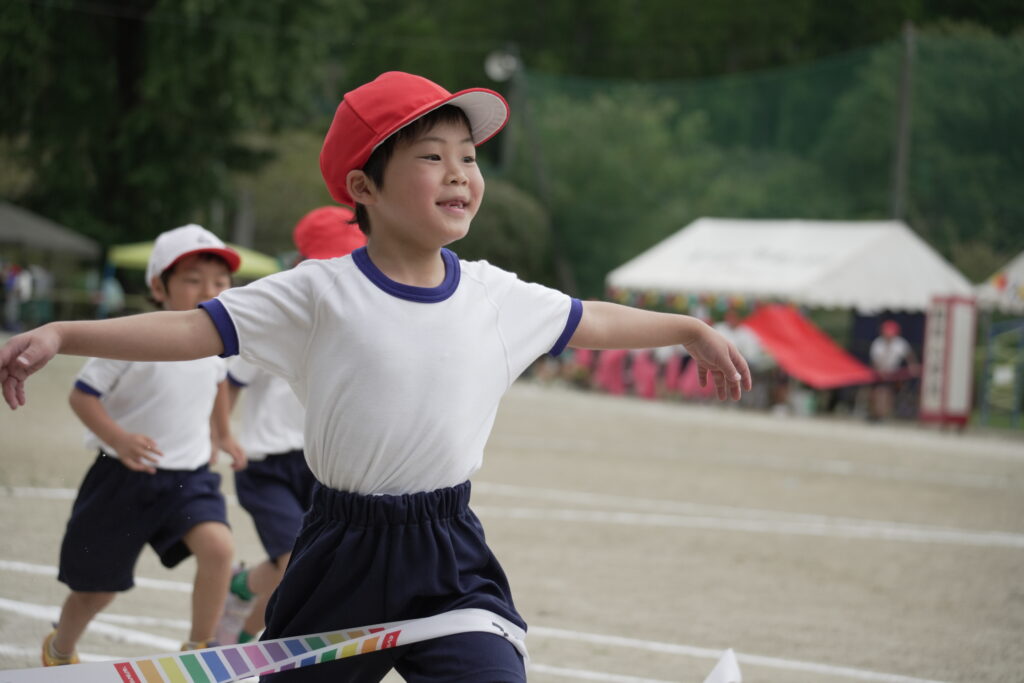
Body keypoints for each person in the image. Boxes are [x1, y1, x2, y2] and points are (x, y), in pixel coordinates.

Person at [1, 71, 751, 681]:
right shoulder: (317, 293)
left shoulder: (496, 295)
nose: (459, 173)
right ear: (364, 187)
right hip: (338, 553)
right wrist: (64, 333)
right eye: (431, 156)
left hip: (449, 553)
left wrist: (688, 330)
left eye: (469, 157)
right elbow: (191, 329)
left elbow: (592, 321)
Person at [36, 224, 246, 666]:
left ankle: (200, 652)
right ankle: (60, 648)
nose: (209, 291)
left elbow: (217, 387)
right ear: (158, 286)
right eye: (193, 280)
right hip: (123, 478)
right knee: (96, 590)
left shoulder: (218, 345)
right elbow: (82, 396)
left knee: (220, 549)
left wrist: (222, 434)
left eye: (220, 281)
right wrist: (118, 438)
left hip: (189, 478)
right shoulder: (129, 340)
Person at [215, 206, 366, 645]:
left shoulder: (357, 326)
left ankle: (241, 586)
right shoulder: (277, 320)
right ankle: (241, 640)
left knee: (311, 564)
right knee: (291, 566)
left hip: (321, 469)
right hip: (265, 468)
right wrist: (223, 434)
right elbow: (230, 382)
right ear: (302, 264)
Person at [868, 319, 919, 421]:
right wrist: (880, 372)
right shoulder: (877, 343)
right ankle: (877, 413)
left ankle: (884, 414)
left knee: (888, 393)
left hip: (893, 374)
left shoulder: (900, 343)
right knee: (878, 392)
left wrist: (913, 366)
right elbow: (874, 362)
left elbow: (909, 356)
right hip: (880, 373)